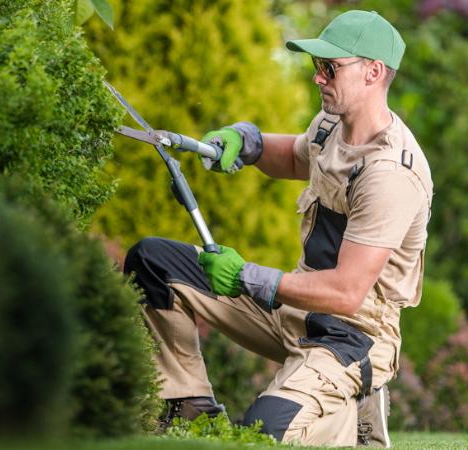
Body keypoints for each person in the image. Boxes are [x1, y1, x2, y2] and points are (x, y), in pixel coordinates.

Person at [124, 9, 433, 448]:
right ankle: (188, 411)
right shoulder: (332, 127)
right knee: (153, 262)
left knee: (263, 433)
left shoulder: (390, 174)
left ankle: (351, 411)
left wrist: (247, 276)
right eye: (316, 66)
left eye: (330, 68)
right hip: (293, 313)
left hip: (351, 338)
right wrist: (245, 141)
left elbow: (347, 292)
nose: (318, 78)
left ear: (373, 72)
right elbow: (291, 157)